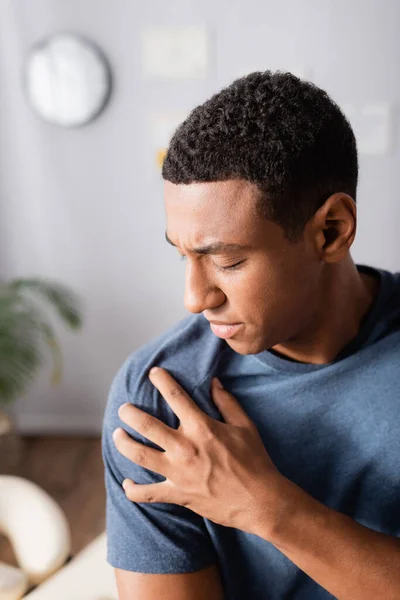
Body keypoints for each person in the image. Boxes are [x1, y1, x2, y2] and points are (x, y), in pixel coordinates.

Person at [101, 71, 400, 600]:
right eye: (182, 255)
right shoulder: (161, 400)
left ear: (331, 230)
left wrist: (268, 507)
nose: (195, 298)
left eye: (228, 260)